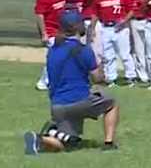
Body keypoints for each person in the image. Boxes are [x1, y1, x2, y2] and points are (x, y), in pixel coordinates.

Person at [24, 11, 120, 154]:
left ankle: (41, 140)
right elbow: (98, 79)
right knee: (111, 103)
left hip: (57, 106)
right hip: (77, 101)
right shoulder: (83, 50)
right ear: (76, 27)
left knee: (68, 145)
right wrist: (99, 64)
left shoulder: (53, 49)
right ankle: (108, 143)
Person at [87, 0, 136, 84]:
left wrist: (125, 21)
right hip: (105, 27)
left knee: (125, 54)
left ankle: (131, 77)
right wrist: (93, 28)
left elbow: (132, 9)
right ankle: (111, 78)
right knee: (108, 55)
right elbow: (95, 13)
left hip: (120, 27)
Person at [33, 0, 66, 90]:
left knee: (61, 57)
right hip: (52, 31)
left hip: (62, 31)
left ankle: (52, 81)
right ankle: (43, 82)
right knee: (55, 57)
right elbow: (40, 15)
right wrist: (44, 34)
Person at [128, 0, 151, 82]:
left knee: (150, 48)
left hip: (147, 20)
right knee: (138, 49)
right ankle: (143, 76)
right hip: (135, 20)